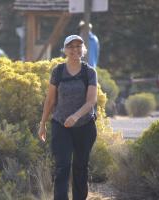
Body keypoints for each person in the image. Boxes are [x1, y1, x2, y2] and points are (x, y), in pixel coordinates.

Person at [38, 35, 97, 200]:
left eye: (78, 46)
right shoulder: (58, 71)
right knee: (62, 167)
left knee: (80, 167)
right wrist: (42, 123)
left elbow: (91, 101)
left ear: (83, 50)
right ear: (65, 50)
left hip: (85, 126)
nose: (75, 50)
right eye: (71, 47)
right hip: (60, 125)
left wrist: (76, 116)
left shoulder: (89, 72)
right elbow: (50, 100)